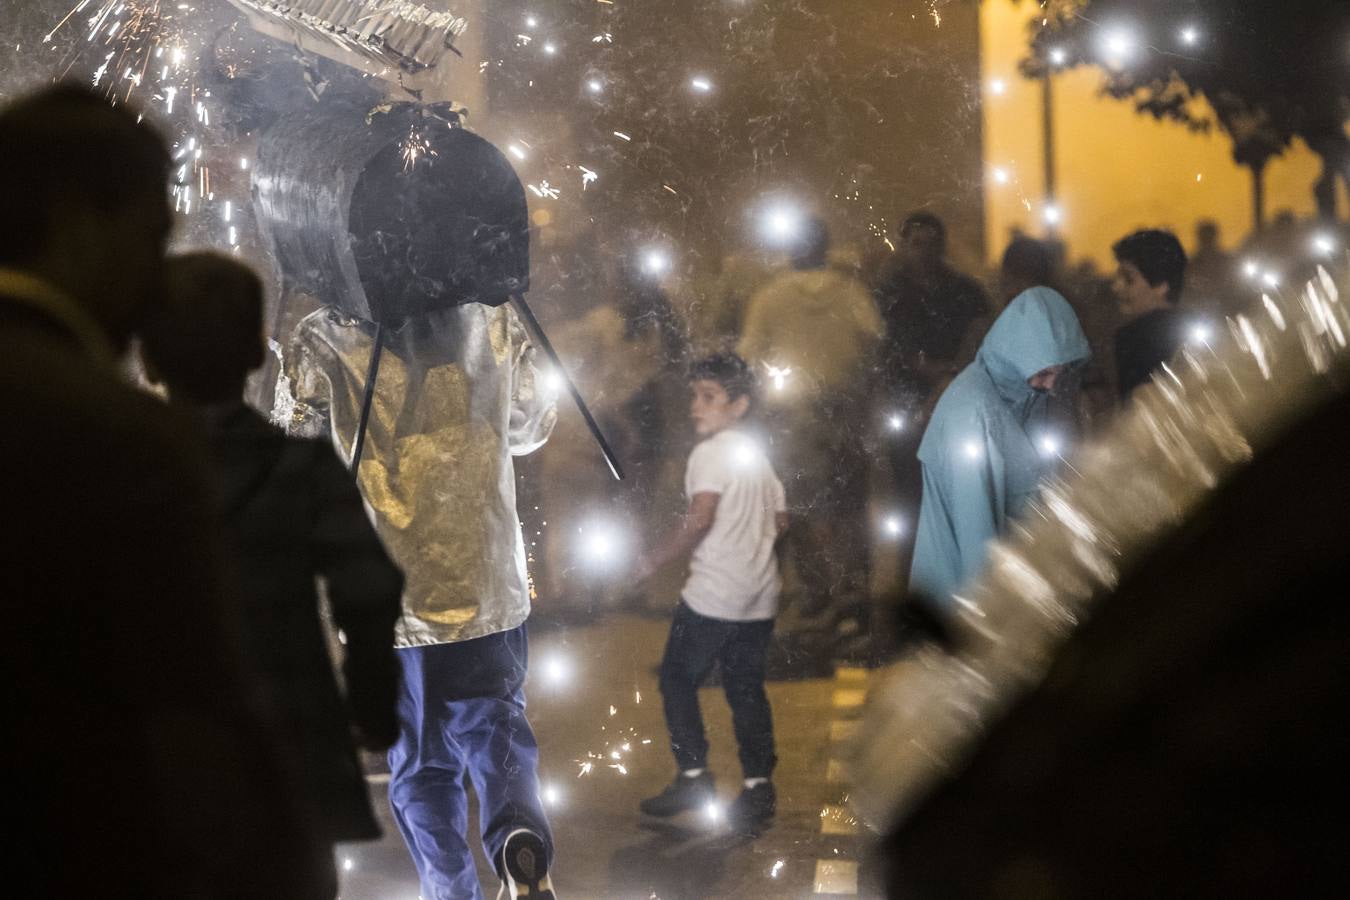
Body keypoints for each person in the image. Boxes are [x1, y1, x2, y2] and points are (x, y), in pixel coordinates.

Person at [0, 84, 328, 896]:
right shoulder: (116, 440)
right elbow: (196, 726)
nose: (154, 286)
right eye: (148, 240)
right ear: (78, 223)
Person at [281, 290, 559, 899]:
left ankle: (450, 889)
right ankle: (519, 840)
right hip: (486, 578)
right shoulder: (493, 313)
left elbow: (294, 451)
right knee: (496, 723)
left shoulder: (323, 335)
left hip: (389, 600)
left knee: (421, 765)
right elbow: (532, 425)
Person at [141, 252, 405, 852]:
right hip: (290, 742)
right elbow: (369, 590)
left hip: (158, 749)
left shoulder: (118, 469)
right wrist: (371, 709)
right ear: (258, 352)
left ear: (150, 358)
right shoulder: (302, 469)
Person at [634, 353, 788, 832]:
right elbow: (782, 520)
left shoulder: (710, 453)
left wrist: (653, 560)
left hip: (713, 595)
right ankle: (759, 786)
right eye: (694, 396)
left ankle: (694, 776)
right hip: (758, 596)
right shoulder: (758, 455)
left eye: (709, 397)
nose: (696, 407)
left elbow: (701, 516)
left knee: (677, 680)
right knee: (745, 689)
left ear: (739, 405)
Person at [737, 215, 883, 630]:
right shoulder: (853, 293)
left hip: (791, 421)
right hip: (845, 418)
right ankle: (854, 596)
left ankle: (817, 593)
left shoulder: (768, 297)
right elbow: (874, 344)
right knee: (850, 510)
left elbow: (749, 357)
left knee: (800, 509)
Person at [909, 286, 1090, 609]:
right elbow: (976, 535)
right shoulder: (974, 413)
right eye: (1045, 372)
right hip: (964, 602)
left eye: (1058, 374)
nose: (1050, 385)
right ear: (1017, 354)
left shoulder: (1019, 396)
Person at [1111, 229, 1189, 401]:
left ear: (1161, 285)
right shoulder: (1196, 327)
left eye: (1128, 278)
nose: (1116, 286)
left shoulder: (1132, 337)